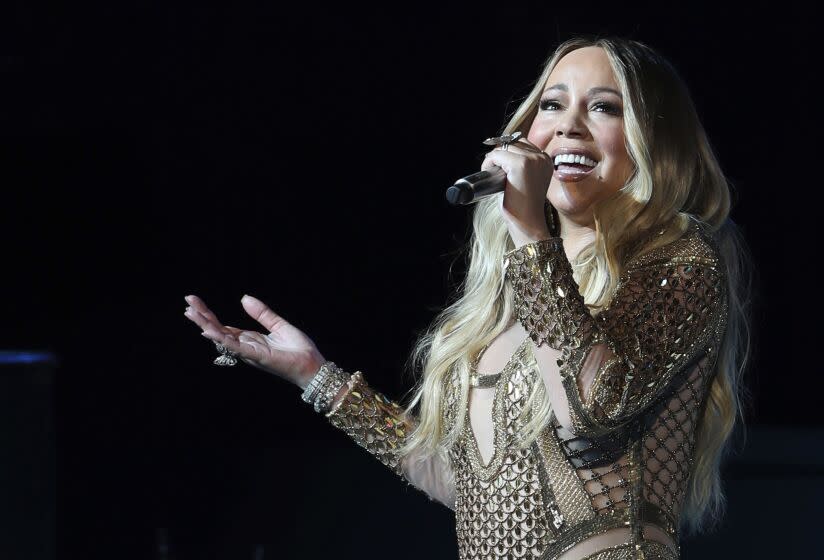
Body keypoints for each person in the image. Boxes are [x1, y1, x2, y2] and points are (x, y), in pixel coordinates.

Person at [183, 36, 751, 560]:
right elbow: (480, 492)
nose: (567, 127)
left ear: (655, 138)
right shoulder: (515, 296)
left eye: (603, 107)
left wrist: (531, 234)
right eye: (551, 106)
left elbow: (590, 411)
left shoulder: (681, 262)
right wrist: (316, 376)